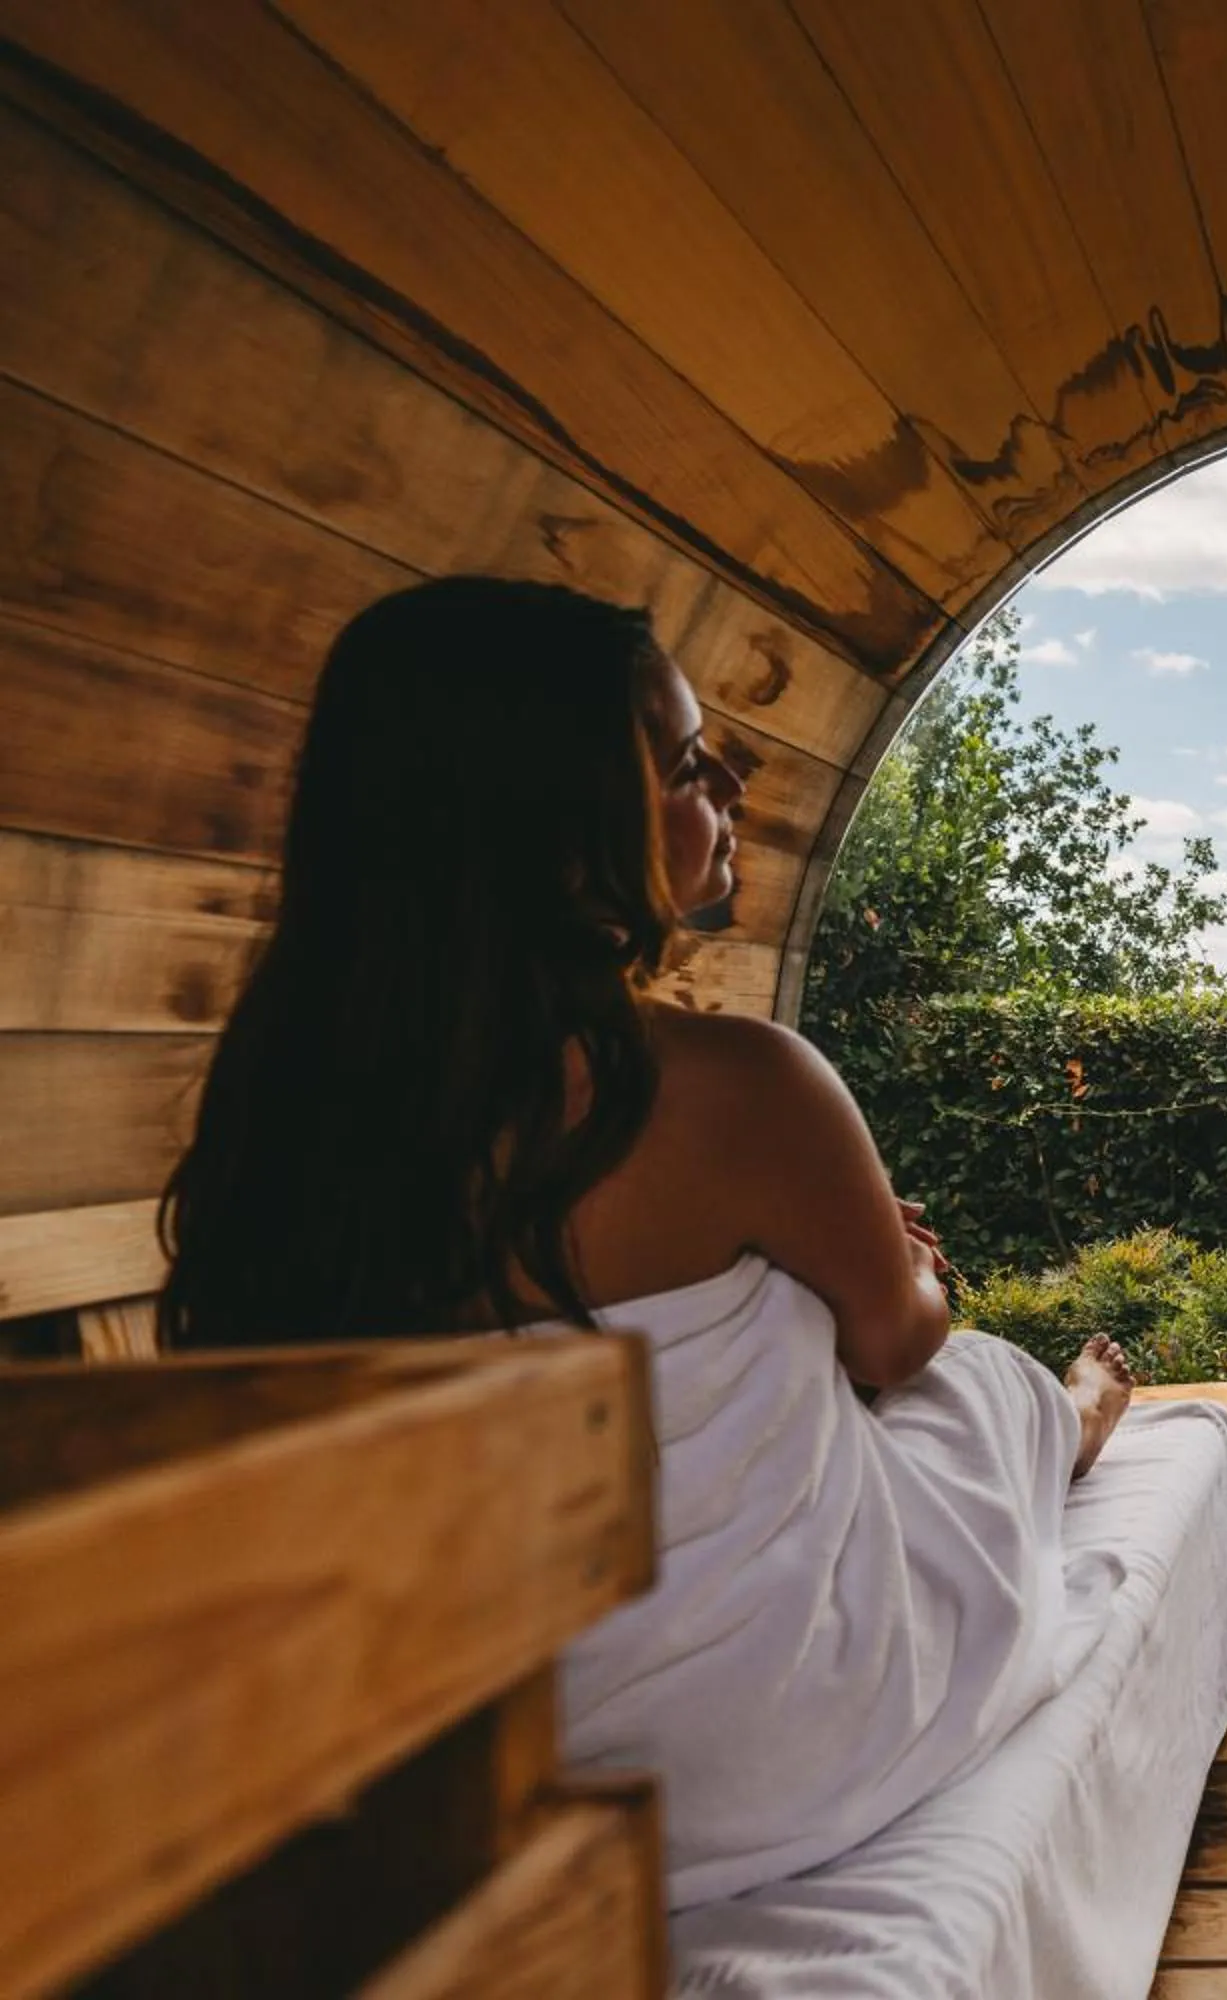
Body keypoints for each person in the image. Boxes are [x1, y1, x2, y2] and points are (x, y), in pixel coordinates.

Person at [160, 576, 1135, 1906]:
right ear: (558, 833)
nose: (729, 783)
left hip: (464, 1738)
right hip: (761, 1740)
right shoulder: (739, 1084)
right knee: (977, 1385)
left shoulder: (278, 1121)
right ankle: (1078, 1418)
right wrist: (903, 1265)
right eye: (683, 764)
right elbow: (898, 1346)